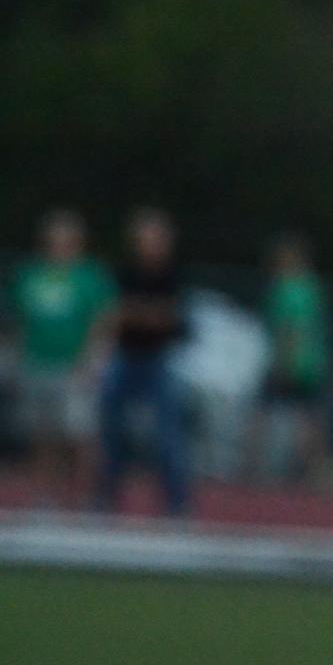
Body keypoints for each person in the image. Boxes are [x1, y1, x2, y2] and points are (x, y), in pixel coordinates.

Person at [7, 209, 116, 507]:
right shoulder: (30, 275)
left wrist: (93, 361)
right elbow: (19, 322)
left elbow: (104, 321)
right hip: (37, 363)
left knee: (80, 434)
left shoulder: (89, 277)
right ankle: (44, 497)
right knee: (42, 435)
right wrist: (16, 362)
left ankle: (87, 497)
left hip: (74, 366)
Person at [97, 207, 192, 516]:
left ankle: (177, 502)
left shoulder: (173, 274)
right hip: (126, 356)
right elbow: (116, 314)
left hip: (158, 359)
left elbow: (167, 319)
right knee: (111, 426)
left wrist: (138, 314)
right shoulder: (126, 272)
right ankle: (107, 495)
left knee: (169, 435)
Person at [251, 233, 329, 484]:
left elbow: (289, 329)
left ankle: (254, 468)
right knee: (309, 416)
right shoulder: (312, 287)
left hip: (290, 362)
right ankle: (312, 471)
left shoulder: (285, 289)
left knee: (262, 413)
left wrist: (283, 363)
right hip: (313, 363)